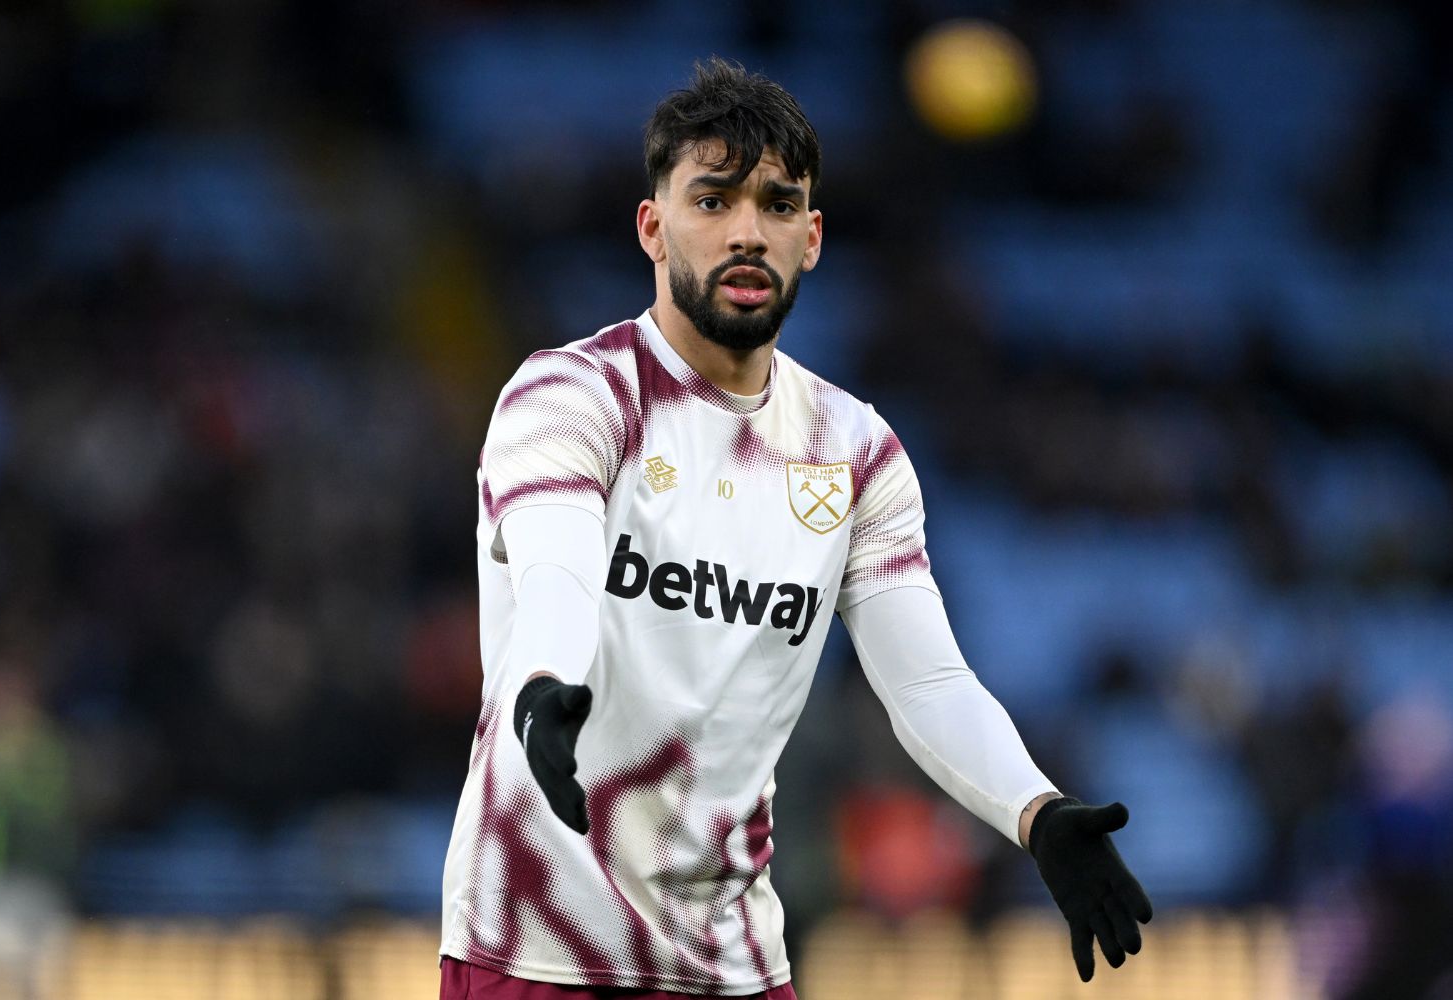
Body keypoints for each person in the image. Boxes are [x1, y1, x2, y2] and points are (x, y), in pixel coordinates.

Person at [440, 57, 1151, 1000]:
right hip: (539, 950)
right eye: (713, 199)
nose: (747, 231)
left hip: (733, 964)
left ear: (811, 239)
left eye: (778, 205)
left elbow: (928, 682)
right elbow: (557, 572)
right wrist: (544, 690)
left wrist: (1037, 809)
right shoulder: (572, 394)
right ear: (653, 227)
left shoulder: (854, 450)